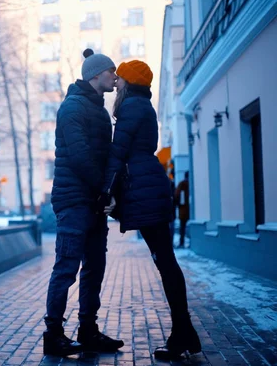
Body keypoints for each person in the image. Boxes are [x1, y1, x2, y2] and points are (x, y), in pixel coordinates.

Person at [98, 60, 201, 360]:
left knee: (165, 263)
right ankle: (185, 332)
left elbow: (118, 154)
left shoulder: (131, 108)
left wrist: (105, 192)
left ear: (129, 82)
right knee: (166, 262)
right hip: (151, 188)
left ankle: (182, 333)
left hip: (145, 192)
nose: (115, 82)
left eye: (120, 78)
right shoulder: (144, 106)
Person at [43, 49, 124, 357]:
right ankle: (53, 335)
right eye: (111, 72)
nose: (115, 77)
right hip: (74, 201)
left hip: (93, 202)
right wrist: (103, 191)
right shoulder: (72, 107)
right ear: (95, 75)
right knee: (66, 268)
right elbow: (80, 157)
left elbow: (104, 157)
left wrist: (108, 192)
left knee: (94, 268)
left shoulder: (100, 111)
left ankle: (88, 331)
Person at [174, 172, 190, 248]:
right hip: (189, 210)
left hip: (183, 210)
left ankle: (182, 241)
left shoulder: (182, 184)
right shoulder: (190, 184)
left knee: (182, 227)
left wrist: (178, 205)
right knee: (184, 226)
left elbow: (176, 195)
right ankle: (186, 241)